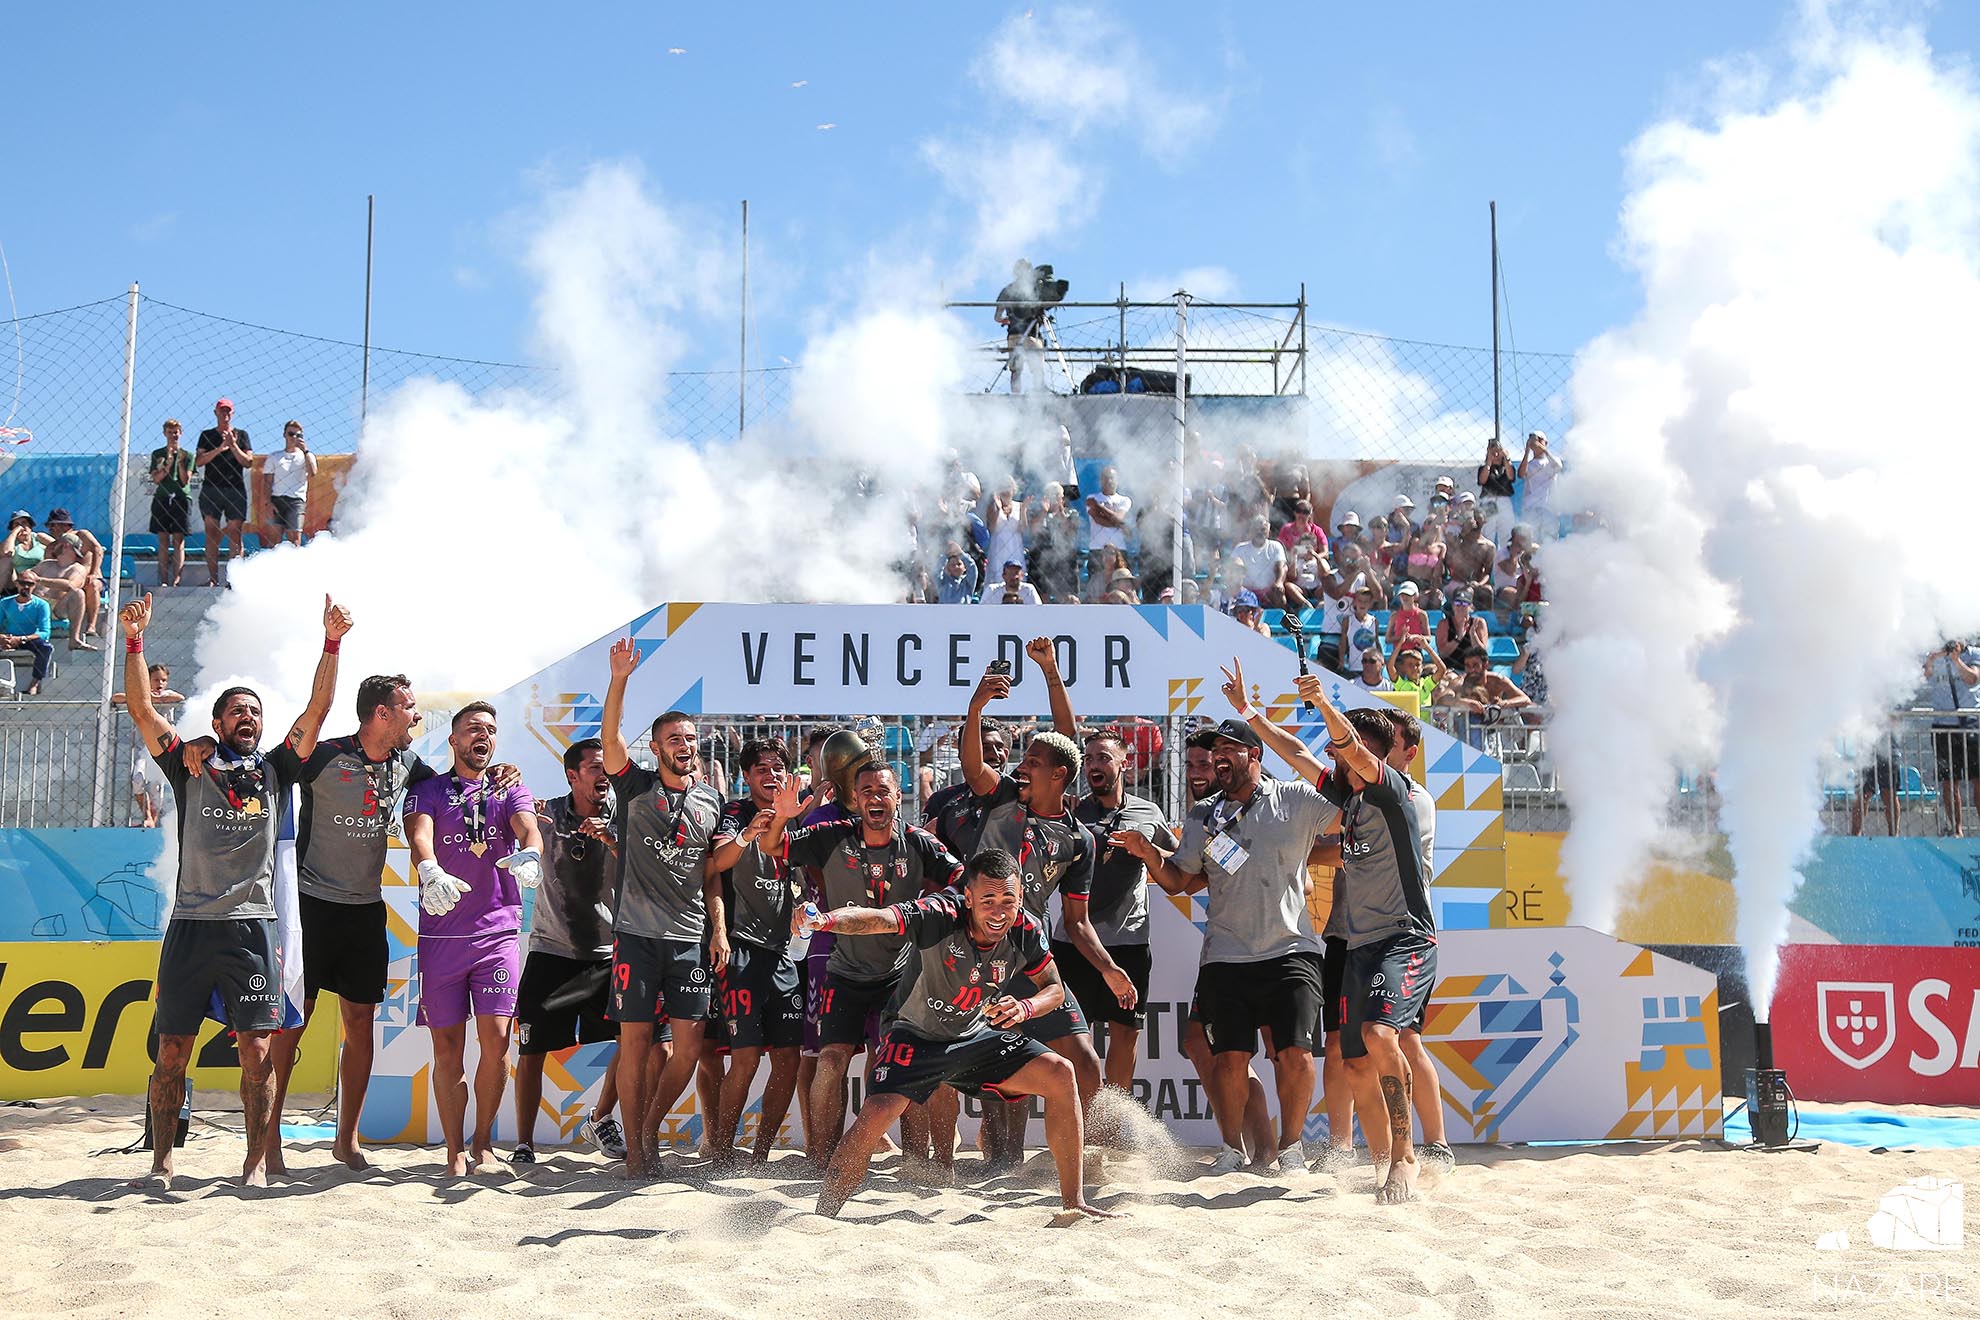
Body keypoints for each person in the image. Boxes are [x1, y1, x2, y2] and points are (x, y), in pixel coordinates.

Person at [117, 590, 349, 1189]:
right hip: (192, 928)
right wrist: (135, 640)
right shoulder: (189, 764)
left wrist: (332, 642)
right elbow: (143, 711)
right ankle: (163, 1160)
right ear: (217, 724)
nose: (250, 719)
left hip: (252, 927)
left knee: (258, 1053)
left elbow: (319, 710)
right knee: (171, 1050)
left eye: (256, 713)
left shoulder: (275, 769)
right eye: (238, 713)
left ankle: (253, 1162)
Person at [804, 850, 1115, 1219]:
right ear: (968, 897)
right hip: (914, 1033)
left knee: (1060, 1072)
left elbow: (1055, 989)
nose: (999, 912)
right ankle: (822, 1215)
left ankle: (1074, 1204)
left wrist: (1025, 1007)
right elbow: (879, 919)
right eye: (988, 901)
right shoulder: (941, 914)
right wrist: (822, 920)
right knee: (877, 1113)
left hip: (973, 1034)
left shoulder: (1025, 928)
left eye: (1008, 901)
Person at [1111, 708, 1328, 1177]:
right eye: (1215, 752)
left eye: (1229, 751)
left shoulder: (1293, 798)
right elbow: (1180, 880)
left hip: (1291, 949)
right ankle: (1232, 1150)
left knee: (1295, 1054)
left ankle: (1291, 1152)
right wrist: (1148, 852)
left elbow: (1347, 806)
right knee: (1228, 1056)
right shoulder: (1203, 814)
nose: (1219, 759)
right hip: (1226, 955)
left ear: (1255, 754)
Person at [961, 641, 1127, 1164]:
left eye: (1033, 761)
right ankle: (1001, 1165)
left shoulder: (1079, 839)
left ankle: (1090, 1160)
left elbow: (1076, 923)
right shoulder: (1005, 798)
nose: (1020, 765)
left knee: (1086, 1064)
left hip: (1032, 958)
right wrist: (975, 709)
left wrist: (1109, 969)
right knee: (1002, 1081)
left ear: (1058, 776)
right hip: (980, 952)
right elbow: (972, 767)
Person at [762, 760, 963, 1170]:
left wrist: (933, 913)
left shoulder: (918, 842)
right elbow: (772, 846)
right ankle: (821, 1158)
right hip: (845, 973)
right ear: (854, 799)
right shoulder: (831, 835)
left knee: (908, 1064)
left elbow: (963, 880)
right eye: (867, 790)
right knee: (831, 1060)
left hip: (901, 978)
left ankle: (918, 1161)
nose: (875, 797)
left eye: (883, 790)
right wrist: (782, 817)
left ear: (897, 796)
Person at [1299, 676, 1438, 1204]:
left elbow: (1348, 746)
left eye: (1347, 749)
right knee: (1353, 1060)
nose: (1335, 757)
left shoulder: (1393, 790)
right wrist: (1251, 713)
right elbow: (1297, 755)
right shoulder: (1351, 800)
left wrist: (1321, 704)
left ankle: (1408, 1156)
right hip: (1357, 944)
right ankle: (1384, 1164)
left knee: (1384, 1037)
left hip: (1405, 936)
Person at [598, 638, 726, 1177]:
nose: (685, 746)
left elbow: (711, 874)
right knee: (635, 1044)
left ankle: (647, 1130)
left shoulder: (712, 800)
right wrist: (621, 679)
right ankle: (636, 1153)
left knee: (688, 1049)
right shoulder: (634, 787)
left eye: (690, 739)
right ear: (655, 747)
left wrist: (717, 931)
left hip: (689, 936)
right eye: (674, 739)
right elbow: (608, 742)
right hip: (635, 935)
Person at [403, 702, 542, 1176]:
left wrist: (531, 854)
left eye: (490, 730)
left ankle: (483, 1144)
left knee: (498, 1043)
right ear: (454, 741)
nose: (483, 736)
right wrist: (430, 869)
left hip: (497, 931)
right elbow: (418, 833)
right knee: (446, 1049)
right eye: (472, 729)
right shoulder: (428, 788)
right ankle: (453, 1151)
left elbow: (529, 828)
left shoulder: (510, 786)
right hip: (441, 935)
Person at [506, 738, 624, 1163]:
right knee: (531, 1050)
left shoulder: (624, 815)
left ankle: (601, 1117)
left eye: (606, 767)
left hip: (606, 953)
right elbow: (512, 810)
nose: (604, 775)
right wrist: (507, 776)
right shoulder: (548, 814)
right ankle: (523, 1145)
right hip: (550, 950)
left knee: (636, 1039)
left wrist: (612, 839)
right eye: (594, 768)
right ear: (573, 776)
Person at [701, 738, 805, 1168]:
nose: (771, 775)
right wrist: (749, 833)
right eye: (761, 769)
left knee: (788, 1058)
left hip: (783, 953)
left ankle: (760, 1153)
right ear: (746, 776)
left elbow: (808, 872)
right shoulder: (736, 814)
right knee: (743, 1058)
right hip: (741, 949)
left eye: (778, 768)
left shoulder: (798, 819)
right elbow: (717, 864)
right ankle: (722, 1152)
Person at [1067, 730, 1177, 1095]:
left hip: (1128, 940)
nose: (1094, 765)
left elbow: (1177, 865)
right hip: (1074, 941)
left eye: (1103, 757)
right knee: (1073, 1040)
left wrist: (1147, 852)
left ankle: (1113, 1126)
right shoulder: (1071, 811)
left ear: (1124, 763)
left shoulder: (1148, 812)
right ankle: (1082, 1125)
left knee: (1126, 1034)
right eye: (1090, 759)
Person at [110, 664, 184, 818]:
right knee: (137, 779)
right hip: (144, 749)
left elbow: (179, 697)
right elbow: (116, 697)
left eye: (163, 680)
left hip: (164, 749)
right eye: (156, 680)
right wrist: (145, 697)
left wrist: (156, 699)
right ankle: (147, 815)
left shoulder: (166, 695)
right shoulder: (141, 696)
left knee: (157, 788)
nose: (160, 684)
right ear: (147, 680)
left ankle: (151, 820)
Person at [1925, 640, 1980, 836]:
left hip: (1970, 723)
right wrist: (1932, 660)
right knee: (1949, 780)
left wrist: (1956, 660)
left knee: (1977, 778)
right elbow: (1924, 676)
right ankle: (1956, 829)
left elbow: (1972, 678)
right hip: (1943, 725)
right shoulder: (1937, 655)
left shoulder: (1974, 654)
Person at [196, 398, 252, 586]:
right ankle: (213, 578)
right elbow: (199, 461)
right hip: (211, 488)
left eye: (228, 411)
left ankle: (234, 580)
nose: (225, 414)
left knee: (235, 532)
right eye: (222, 411)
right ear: (216, 413)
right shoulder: (207, 435)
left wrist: (233, 445)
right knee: (211, 531)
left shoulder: (242, 435)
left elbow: (248, 462)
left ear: (232, 413)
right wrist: (220, 448)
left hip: (235, 489)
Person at [28, 532, 100, 651]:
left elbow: (71, 585)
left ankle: (74, 640)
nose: (53, 547)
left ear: (65, 545)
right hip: (35, 604)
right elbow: (26, 575)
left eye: (57, 544)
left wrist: (39, 580)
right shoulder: (46, 564)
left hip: (57, 608)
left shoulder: (78, 569)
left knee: (78, 593)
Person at [43, 509, 105, 639]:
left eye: (53, 525)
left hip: (89, 578)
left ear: (65, 525)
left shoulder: (82, 535)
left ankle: (91, 626)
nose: (50, 529)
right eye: (49, 526)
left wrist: (93, 573)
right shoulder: (52, 548)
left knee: (92, 584)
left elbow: (98, 549)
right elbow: (49, 569)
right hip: (69, 582)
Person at [148, 421, 195, 586]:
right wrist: (167, 465)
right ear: (164, 433)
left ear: (181, 433)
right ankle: (164, 579)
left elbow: (185, 480)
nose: (173, 435)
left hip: (181, 499)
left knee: (178, 540)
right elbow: (156, 479)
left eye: (176, 432)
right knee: (163, 540)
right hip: (162, 498)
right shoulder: (157, 454)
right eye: (170, 432)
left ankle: (177, 579)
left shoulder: (188, 455)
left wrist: (180, 463)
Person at [1436, 646, 1533, 726]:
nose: (1471, 670)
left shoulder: (1497, 680)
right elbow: (1442, 699)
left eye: (1475, 665)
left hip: (1494, 728)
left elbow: (1525, 699)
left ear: (1486, 665)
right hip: (1467, 730)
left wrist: (1504, 703)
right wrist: (1466, 703)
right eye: (1468, 666)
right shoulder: (1460, 681)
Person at [994, 260, 1048, 395]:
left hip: (1014, 335)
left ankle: (1016, 396)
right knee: (1037, 369)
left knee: (1016, 370)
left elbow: (997, 316)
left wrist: (1008, 320)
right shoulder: (1036, 289)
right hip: (1032, 334)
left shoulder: (1007, 290)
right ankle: (1039, 394)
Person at [260, 420, 317, 547]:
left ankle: (293, 566)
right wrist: (268, 503)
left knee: (294, 540)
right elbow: (267, 482)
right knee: (274, 541)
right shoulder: (274, 457)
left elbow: (313, 472)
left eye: (298, 435)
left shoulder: (307, 456)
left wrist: (305, 450)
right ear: (285, 435)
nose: (294, 438)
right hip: (276, 500)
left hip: (296, 501)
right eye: (291, 434)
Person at [1025, 480, 1082, 602]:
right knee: (1041, 598)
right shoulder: (1038, 512)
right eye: (1051, 495)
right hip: (1040, 559)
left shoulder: (1071, 513)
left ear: (1063, 498)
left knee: (1067, 598)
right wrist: (1044, 511)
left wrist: (1060, 512)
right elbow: (1034, 530)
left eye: (1057, 496)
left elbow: (1070, 531)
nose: (1054, 499)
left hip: (1064, 560)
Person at [0, 573, 54, 697]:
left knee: (46, 647)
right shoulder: (5, 603)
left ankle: (35, 682)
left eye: (30, 584)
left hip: (29, 639)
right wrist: (3, 638)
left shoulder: (41, 605)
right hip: (8, 638)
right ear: (16, 584)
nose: (26, 587)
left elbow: (45, 631)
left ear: (35, 585)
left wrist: (21, 639)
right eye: (23, 583)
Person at [1084, 467, 1132, 586]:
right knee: (1096, 586)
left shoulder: (1124, 500)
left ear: (1117, 480)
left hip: (1119, 549)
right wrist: (1120, 525)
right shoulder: (1092, 498)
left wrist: (1099, 508)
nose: (1109, 481)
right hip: (1097, 549)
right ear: (1101, 480)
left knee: (1120, 586)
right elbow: (1098, 520)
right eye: (1106, 478)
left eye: (1112, 478)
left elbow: (1119, 517)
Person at [1230, 515, 1290, 609]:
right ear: (1251, 531)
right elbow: (1234, 565)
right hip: (1246, 591)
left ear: (1268, 532)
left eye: (1263, 529)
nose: (1259, 532)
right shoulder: (1240, 548)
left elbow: (1281, 566)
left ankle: (1278, 619)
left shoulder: (1276, 546)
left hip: (1269, 592)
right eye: (1256, 529)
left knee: (1279, 592)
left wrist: (1279, 582)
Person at [1518, 431, 1564, 539]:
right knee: (1530, 541)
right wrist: (1527, 451)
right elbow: (1521, 474)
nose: (1536, 442)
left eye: (1539, 439)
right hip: (1531, 508)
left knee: (1549, 540)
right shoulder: (1529, 464)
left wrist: (1543, 449)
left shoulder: (1552, 461)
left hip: (1549, 508)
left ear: (1545, 442)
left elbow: (1558, 467)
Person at [984, 480, 1025, 588]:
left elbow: (1022, 529)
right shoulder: (992, 507)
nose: (1005, 491)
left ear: (1013, 490)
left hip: (1015, 546)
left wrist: (1024, 510)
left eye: (1008, 488)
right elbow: (992, 529)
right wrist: (997, 509)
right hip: (998, 547)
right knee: (997, 581)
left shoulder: (1020, 506)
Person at [1435, 590, 1490, 667]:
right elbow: (1442, 654)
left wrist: (1473, 634)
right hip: (1450, 668)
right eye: (1457, 603)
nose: (1460, 607)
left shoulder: (1478, 623)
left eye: (1464, 604)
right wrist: (1459, 637)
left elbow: (1482, 654)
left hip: (1473, 669)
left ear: (1471, 607)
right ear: (1453, 606)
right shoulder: (1444, 624)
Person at [1387, 638, 1446, 708]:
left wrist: (1426, 647)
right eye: (1410, 665)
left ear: (1422, 667)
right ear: (1403, 668)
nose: (1415, 668)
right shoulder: (1401, 684)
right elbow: (1390, 667)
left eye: (1417, 665)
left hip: (1424, 719)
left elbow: (1442, 669)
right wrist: (1400, 643)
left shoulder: (1426, 684)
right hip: (1409, 719)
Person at [2, 510, 43, 593]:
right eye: (16, 524)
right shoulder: (11, 542)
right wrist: (15, 532)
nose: (21, 526)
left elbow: (57, 546)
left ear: (30, 526)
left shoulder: (39, 537)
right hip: (16, 580)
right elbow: (6, 551)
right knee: (6, 560)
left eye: (24, 523)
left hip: (38, 578)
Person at [1387, 580, 1428, 649]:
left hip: (1416, 650)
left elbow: (1428, 637)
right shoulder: (1394, 616)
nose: (1404, 597)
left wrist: (1416, 637)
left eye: (1408, 595)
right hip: (1399, 651)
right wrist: (1402, 638)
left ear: (1415, 596)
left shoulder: (1421, 615)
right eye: (1402, 595)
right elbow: (1388, 639)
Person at [1478, 436, 1517, 500]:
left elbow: (1511, 477)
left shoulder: (1507, 467)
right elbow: (1482, 481)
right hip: (1488, 498)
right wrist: (1489, 461)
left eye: (1498, 451)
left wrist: (1506, 457)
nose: (1496, 454)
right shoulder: (1483, 468)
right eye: (1493, 452)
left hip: (1505, 498)